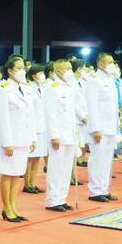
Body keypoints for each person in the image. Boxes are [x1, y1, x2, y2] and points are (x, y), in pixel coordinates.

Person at [0, 55, 36, 221]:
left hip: (23, 138)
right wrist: (7, 142)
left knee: (17, 174)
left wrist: (32, 138)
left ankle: (13, 206)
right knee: (7, 174)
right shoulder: (3, 88)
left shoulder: (26, 88)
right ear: (10, 71)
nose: (23, 70)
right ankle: (6, 208)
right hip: (10, 139)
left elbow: (30, 115)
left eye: (23, 67)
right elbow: (2, 118)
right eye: (19, 68)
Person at [42, 59, 79, 211]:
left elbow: (71, 113)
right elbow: (50, 114)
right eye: (67, 68)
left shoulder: (70, 87)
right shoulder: (51, 88)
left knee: (66, 168)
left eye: (71, 68)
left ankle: (61, 198)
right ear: (58, 71)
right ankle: (52, 200)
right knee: (56, 168)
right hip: (58, 135)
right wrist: (54, 135)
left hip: (70, 133)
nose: (70, 71)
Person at [84, 52, 121, 202]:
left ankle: (104, 189)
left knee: (107, 161)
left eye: (113, 62)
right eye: (109, 62)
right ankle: (95, 191)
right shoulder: (94, 80)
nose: (113, 65)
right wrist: (95, 128)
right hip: (99, 128)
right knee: (97, 160)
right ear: (100, 63)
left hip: (110, 126)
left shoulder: (110, 79)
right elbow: (92, 106)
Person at [23, 64, 46, 195]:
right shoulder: (28, 88)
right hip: (32, 126)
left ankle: (33, 182)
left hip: (42, 126)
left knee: (37, 157)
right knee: (30, 157)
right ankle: (27, 184)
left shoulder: (43, 87)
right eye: (39, 73)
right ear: (33, 76)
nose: (42, 75)